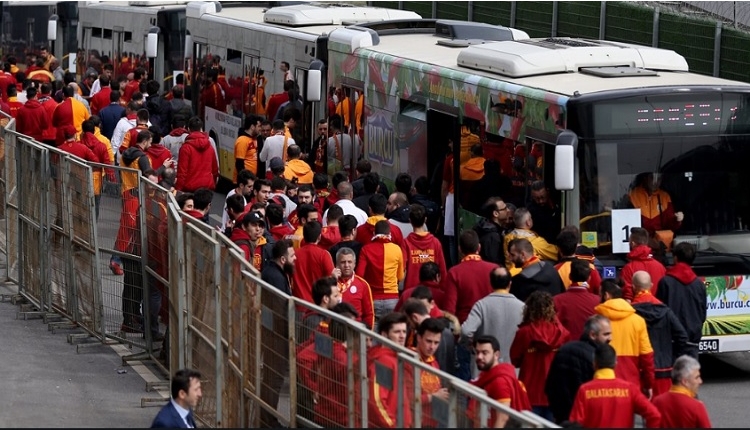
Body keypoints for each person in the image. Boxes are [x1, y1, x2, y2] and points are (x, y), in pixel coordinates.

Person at [442, 229, 498, 381]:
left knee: (465, 380)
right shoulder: (493, 269)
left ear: (460, 249)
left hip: (465, 335)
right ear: (479, 247)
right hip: (491, 331)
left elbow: (449, 310)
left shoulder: (455, 273)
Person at [569, 343, 661, 428]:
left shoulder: (585, 390)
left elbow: (575, 424)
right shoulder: (629, 389)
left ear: (594, 364)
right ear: (615, 364)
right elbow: (654, 415)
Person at [510, 291, 569, 421]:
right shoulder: (562, 333)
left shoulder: (524, 333)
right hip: (554, 391)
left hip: (529, 389)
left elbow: (515, 359)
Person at [544, 315, 613, 424]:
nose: (610, 338)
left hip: (561, 417)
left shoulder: (564, 349)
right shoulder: (595, 357)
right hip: (584, 419)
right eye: (606, 334)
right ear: (592, 335)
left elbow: (549, 386)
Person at [631, 270, 689, 397]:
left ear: (633, 287)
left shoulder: (631, 312)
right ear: (651, 285)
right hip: (664, 369)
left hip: (640, 370)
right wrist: (673, 357)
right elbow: (682, 337)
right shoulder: (665, 311)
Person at [595, 280, 655, 397]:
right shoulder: (638, 321)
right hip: (630, 384)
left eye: (599, 294)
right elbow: (647, 357)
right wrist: (648, 384)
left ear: (606, 295)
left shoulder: (596, 320)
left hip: (602, 386)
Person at [259, 239, 295, 428]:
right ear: (283, 259)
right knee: (273, 378)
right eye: (292, 256)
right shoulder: (275, 276)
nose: (295, 259)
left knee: (273, 378)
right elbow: (280, 308)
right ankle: (267, 419)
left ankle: (267, 417)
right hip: (275, 335)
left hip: (273, 332)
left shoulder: (275, 272)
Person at [461, 266, 524, 367]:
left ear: (491, 284)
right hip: (512, 368)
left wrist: (472, 347)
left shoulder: (481, 305)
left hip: (485, 366)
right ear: (510, 284)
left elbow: (466, 331)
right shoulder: (522, 307)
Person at [656, 241, 706, 359]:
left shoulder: (666, 282)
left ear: (675, 258)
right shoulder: (699, 284)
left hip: (671, 340)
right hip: (692, 339)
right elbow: (702, 314)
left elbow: (660, 312)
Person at [468, 335, 531, 428]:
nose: (479, 357)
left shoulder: (499, 382)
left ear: (496, 355)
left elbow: (503, 417)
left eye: (485, 353)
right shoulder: (488, 374)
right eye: (477, 352)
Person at [367, 312, 414, 428]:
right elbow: (377, 400)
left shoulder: (395, 358)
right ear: (384, 335)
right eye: (397, 332)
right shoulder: (384, 361)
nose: (402, 336)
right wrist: (392, 425)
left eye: (404, 331)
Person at [356, 220, 404, 323]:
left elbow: (359, 275)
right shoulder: (397, 250)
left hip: (373, 299)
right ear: (389, 234)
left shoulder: (366, 249)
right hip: (393, 298)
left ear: (374, 233)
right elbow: (400, 277)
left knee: (373, 335)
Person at [651, 355, 712, 428]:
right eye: (697, 377)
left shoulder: (657, 402)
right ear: (685, 381)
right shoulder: (697, 406)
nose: (700, 381)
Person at [411, 318, 451, 427]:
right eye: (428, 341)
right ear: (419, 338)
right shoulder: (408, 360)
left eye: (436, 342)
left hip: (431, 422)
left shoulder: (434, 362)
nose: (432, 347)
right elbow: (405, 398)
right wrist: (434, 396)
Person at [402, 203, 447, 291]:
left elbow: (401, 270)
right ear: (425, 220)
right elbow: (442, 270)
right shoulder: (435, 242)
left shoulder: (405, 243)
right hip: (432, 291)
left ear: (410, 221)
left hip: (412, 292)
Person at [553, 259, 601, 341]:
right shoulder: (598, 301)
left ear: (570, 276)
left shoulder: (556, 300)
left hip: (566, 348)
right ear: (589, 278)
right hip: (590, 348)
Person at [508, 238, 565, 303]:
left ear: (522, 255)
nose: (510, 259)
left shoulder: (519, 281)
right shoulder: (551, 268)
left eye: (513, 255)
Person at [333, 246, 375, 329]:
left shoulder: (363, 284)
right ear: (337, 264)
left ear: (354, 264)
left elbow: (369, 314)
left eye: (349, 262)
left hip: (355, 331)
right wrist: (332, 280)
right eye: (343, 262)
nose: (346, 265)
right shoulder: (330, 282)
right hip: (334, 330)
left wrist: (367, 335)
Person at [621, 227, 666, 302]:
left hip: (637, 311)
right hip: (658, 311)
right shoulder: (660, 267)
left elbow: (627, 298)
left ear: (632, 244)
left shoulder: (628, 268)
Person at [175, 117, 219, 192]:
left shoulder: (185, 148)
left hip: (190, 189)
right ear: (201, 128)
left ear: (188, 129)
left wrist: (178, 190)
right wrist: (213, 183)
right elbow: (215, 170)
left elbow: (182, 173)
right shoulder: (209, 147)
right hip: (207, 187)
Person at [474, 197, 510, 267]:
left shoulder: (486, 227)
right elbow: (493, 264)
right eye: (504, 209)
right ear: (495, 213)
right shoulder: (492, 236)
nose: (508, 210)